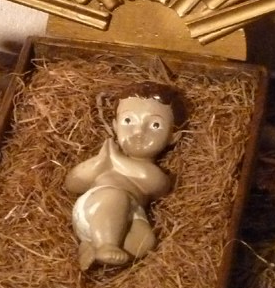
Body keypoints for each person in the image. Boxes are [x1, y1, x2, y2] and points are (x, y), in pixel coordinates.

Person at [65, 82, 185, 270]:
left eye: (155, 125)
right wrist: (97, 163)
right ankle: (106, 245)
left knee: (146, 241)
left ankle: (91, 247)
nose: (138, 131)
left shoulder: (141, 169)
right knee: (116, 197)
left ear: (173, 136)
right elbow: (72, 184)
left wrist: (115, 159)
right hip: (96, 207)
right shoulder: (105, 162)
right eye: (128, 121)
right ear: (115, 126)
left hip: (131, 215)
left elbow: (158, 186)